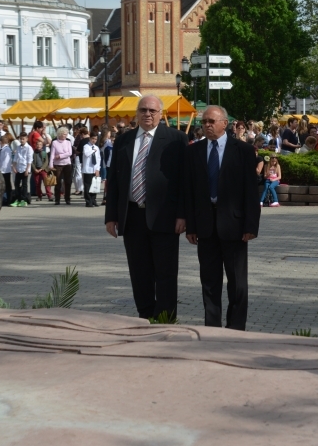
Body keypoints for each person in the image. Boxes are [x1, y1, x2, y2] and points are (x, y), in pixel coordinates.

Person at [105, 95, 188, 320]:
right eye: (143, 110)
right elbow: (114, 180)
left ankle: (165, 319)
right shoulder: (124, 140)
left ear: (161, 114)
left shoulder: (176, 139)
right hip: (132, 216)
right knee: (139, 272)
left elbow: (184, 181)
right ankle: (145, 316)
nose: (147, 114)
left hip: (165, 217)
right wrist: (111, 216)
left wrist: (183, 214)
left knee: (166, 273)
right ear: (136, 113)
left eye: (152, 110)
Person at [184, 105, 260, 331]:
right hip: (205, 226)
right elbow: (189, 191)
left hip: (235, 226)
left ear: (224, 124)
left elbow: (250, 191)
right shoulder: (194, 151)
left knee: (237, 283)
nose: (206, 125)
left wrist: (251, 225)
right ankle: (212, 328)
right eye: (204, 121)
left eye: (211, 121)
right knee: (209, 281)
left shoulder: (243, 151)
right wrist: (191, 225)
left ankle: (236, 328)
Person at [50, 127, 74, 205]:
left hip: (67, 164)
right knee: (58, 182)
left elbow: (69, 153)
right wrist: (50, 164)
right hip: (58, 165)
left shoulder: (68, 142)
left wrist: (60, 156)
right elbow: (52, 154)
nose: (65, 135)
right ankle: (57, 199)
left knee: (68, 182)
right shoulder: (54, 142)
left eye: (66, 134)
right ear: (60, 134)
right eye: (64, 134)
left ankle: (67, 198)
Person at [82, 131, 102, 207]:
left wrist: (98, 169)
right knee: (87, 186)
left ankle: (93, 200)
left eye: (95, 139)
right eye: (93, 139)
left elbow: (98, 159)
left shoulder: (97, 147)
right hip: (88, 169)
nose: (94, 140)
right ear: (90, 138)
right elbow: (86, 154)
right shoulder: (86, 146)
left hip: (95, 169)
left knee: (95, 185)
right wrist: (93, 150)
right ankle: (88, 201)